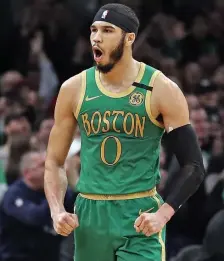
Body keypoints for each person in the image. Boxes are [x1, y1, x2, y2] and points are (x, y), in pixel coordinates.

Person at [44, 3, 205, 261]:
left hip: (139, 213)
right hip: (90, 214)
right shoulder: (74, 88)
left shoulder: (161, 88)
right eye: (94, 30)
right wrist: (56, 210)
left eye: (107, 30)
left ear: (129, 38)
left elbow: (194, 165)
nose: (97, 37)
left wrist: (163, 214)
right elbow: (54, 162)